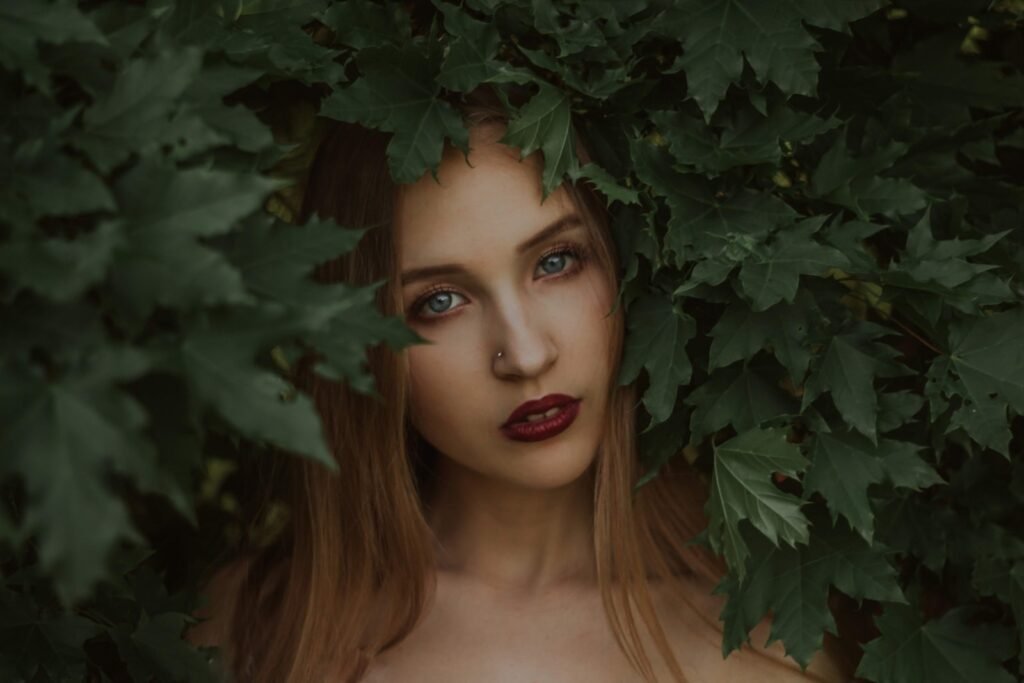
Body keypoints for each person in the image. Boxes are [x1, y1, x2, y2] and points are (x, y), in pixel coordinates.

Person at [188, 87, 853, 682]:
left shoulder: (768, 641)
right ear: (362, 342)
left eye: (557, 261)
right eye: (440, 301)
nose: (526, 354)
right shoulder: (252, 628)